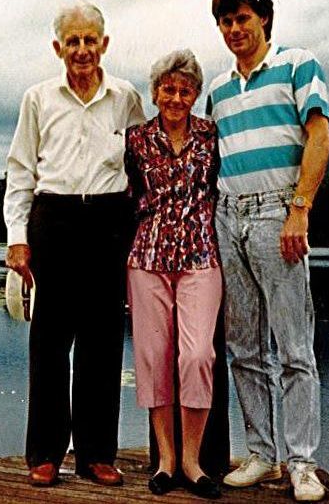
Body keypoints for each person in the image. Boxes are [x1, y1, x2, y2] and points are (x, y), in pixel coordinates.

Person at [3, 2, 145, 487]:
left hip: (108, 221)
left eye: (90, 40)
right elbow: (20, 172)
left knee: (103, 342)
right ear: (58, 47)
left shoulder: (125, 97)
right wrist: (17, 239)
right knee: (48, 341)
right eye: (73, 41)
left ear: (104, 44)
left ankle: (97, 455)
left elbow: (140, 169)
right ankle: (45, 453)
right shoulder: (38, 99)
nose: (82, 50)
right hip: (55, 219)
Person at [206, 0, 329, 502]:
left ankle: (302, 462)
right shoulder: (216, 90)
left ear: (263, 19)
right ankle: (261, 452)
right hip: (226, 216)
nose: (235, 29)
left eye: (243, 18)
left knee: (295, 348)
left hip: (276, 213)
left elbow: (320, 137)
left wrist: (298, 210)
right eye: (226, 21)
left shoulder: (298, 64)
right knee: (243, 345)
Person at [125, 49, 222, 500]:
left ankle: (192, 460)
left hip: (201, 256)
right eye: (168, 89)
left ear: (196, 94)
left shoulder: (211, 135)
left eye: (185, 90)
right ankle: (165, 460)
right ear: (155, 92)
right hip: (146, 259)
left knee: (197, 355)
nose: (176, 97)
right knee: (152, 357)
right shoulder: (137, 139)